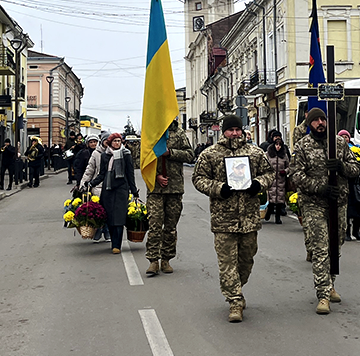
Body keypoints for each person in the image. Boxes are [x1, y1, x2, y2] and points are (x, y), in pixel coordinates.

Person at [192, 115, 274, 323]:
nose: (235, 133)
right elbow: (198, 178)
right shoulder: (210, 154)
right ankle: (235, 301)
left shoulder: (255, 153)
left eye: (238, 129)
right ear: (223, 131)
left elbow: (269, 174)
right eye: (231, 130)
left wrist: (258, 184)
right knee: (227, 262)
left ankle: (237, 287)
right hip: (223, 219)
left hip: (249, 218)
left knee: (246, 260)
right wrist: (219, 188)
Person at [288, 108, 360, 315]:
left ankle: (330, 284)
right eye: (316, 120)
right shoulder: (303, 147)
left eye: (323, 119)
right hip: (314, 204)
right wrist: (319, 187)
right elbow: (296, 176)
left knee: (335, 246)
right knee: (320, 249)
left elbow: (356, 168)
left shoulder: (339, 144)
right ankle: (322, 294)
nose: (320, 123)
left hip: (338, 203)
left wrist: (341, 167)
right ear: (309, 123)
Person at [145, 120, 194, 276]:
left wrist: (170, 153)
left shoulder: (179, 134)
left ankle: (166, 259)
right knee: (154, 225)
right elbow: (144, 159)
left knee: (170, 227)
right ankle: (153, 260)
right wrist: (156, 176)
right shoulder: (151, 134)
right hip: (155, 189)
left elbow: (190, 155)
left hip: (174, 188)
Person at [86, 133, 140, 254]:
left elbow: (130, 174)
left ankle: (117, 245)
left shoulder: (126, 155)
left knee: (119, 218)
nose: (117, 143)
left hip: (121, 189)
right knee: (110, 218)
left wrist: (134, 190)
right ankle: (113, 242)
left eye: (119, 141)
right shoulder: (105, 156)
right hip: (108, 190)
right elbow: (102, 174)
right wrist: (91, 183)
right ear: (110, 143)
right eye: (114, 141)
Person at [339, 130, 360, 242]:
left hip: (355, 183)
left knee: (358, 208)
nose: (345, 139)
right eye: (342, 137)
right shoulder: (337, 150)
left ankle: (356, 231)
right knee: (346, 210)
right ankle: (346, 232)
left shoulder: (356, 150)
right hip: (344, 183)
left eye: (346, 137)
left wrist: (357, 170)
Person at [264, 129, 290, 224]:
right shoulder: (269, 154)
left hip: (281, 179)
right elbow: (264, 164)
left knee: (279, 199)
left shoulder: (284, 155)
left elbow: (289, 166)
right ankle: (268, 212)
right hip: (271, 179)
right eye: (276, 145)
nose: (278, 147)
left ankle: (278, 217)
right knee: (271, 198)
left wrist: (285, 171)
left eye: (279, 145)